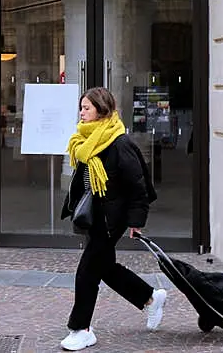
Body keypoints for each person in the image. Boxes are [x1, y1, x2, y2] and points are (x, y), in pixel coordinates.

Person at [59, 87, 166, 351]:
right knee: (104, 267)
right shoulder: (85, 140)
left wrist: (136, 221)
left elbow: (138, 185)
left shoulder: (119, 143)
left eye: (87, 108)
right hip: (94, 216)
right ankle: (150, 297)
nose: (81, 113)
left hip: (111, 219)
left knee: (87, 271)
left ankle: (81, 328)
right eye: (81, 107)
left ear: (102, 111)